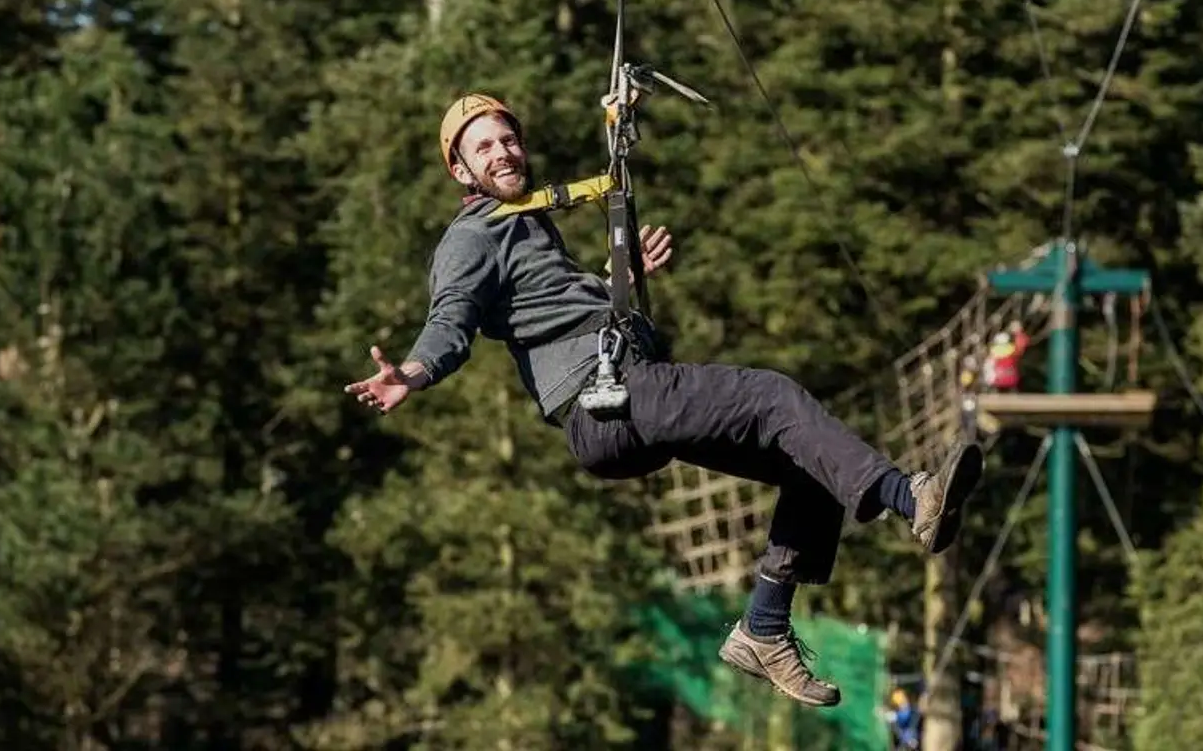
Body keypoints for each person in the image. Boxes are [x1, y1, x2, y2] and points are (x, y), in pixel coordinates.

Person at [344, 93, 986, 707]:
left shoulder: (527, 222)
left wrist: (622, 281)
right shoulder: (473, 234)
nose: (503, 152)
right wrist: (413, 372)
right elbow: (451, 317)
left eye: (508, 139)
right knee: (771, 394)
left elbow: (555, 309)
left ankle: (763, 626)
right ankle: (912, 499)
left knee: (807, 461)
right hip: (605, 404)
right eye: (484, 148)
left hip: (620, 396)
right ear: (461, 169)